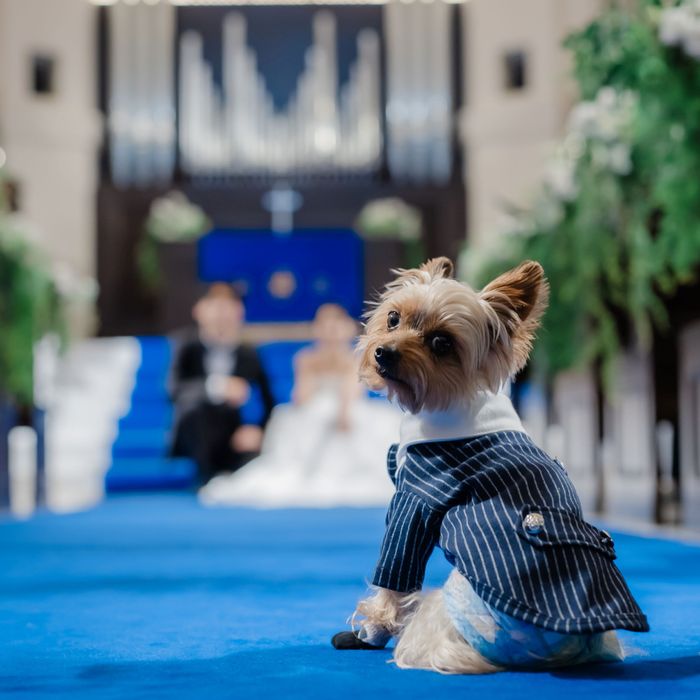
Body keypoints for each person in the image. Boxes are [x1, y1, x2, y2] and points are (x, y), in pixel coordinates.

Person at [199, 304, 401, 507]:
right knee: (315, 414)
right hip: (314, 413)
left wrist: (342, 413)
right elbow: (302, 398)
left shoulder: (354, 359)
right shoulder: (306, 359)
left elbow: (352, 394)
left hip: (346, 412)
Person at [169, 283, 275, 485]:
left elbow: (268, 401)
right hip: (197, 433)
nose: (221, 315)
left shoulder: (249, 354)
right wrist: (217, 387)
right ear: (199, 311)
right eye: (215, 307)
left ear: (239, 313)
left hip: (234, 436)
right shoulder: (186, 347)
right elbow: (173, 390)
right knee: (196, 410)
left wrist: (257, 428)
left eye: (227, 308)